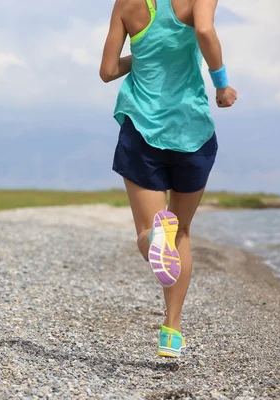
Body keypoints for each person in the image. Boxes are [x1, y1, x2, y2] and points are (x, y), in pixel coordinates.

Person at [99, 0, 237, 358]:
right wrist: (222, 84)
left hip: (141, 130)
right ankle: (171, 330)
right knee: (183, 231)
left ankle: (154, 238)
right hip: (191, 130)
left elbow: (108, 70)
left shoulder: (126, 4)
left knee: (150, 231)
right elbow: (204, 31)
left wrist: (143, 55)